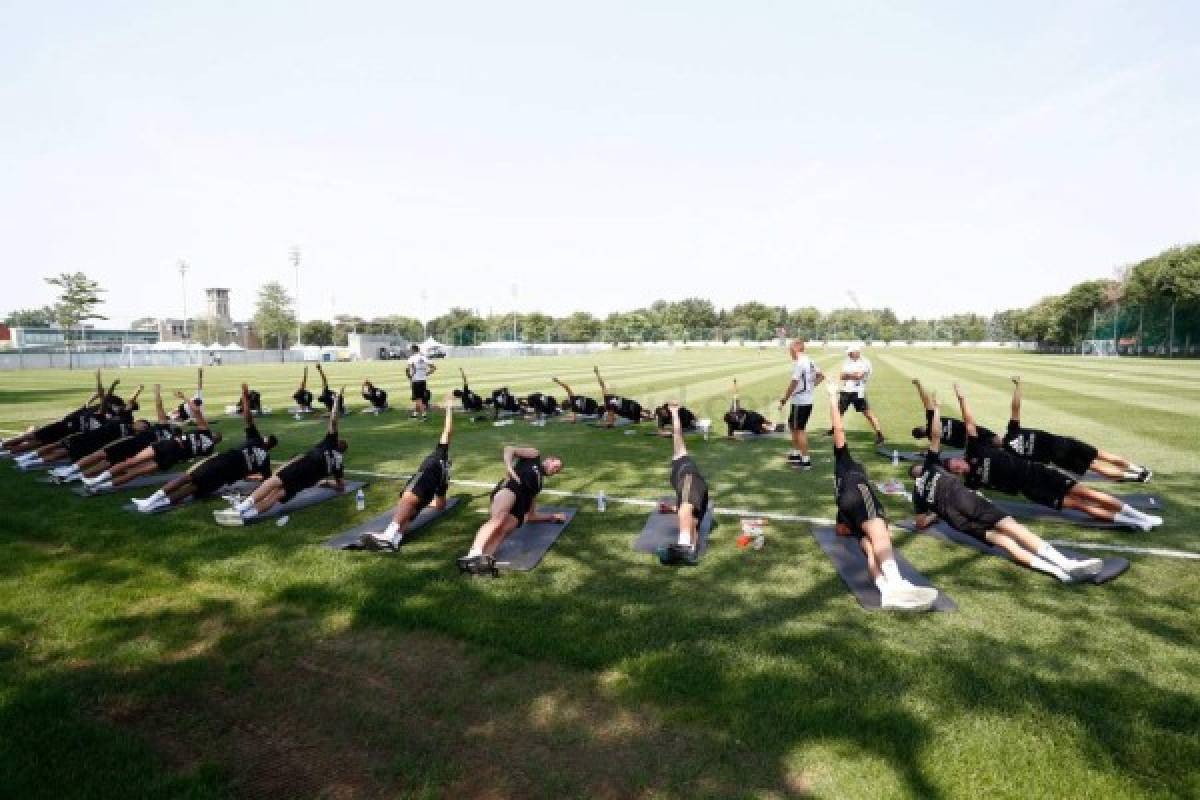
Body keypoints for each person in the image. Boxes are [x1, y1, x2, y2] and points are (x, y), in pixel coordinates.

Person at [909, 400, 1103, 582]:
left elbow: (920, 523)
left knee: (1005, 543)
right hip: (969, 503)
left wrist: (935, 516)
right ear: (921, 468)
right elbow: (936, 434)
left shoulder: (917, 494)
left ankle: (1060, 574)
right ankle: (1066, 564)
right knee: (1017, 530)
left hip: (958, 521)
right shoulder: (931, 465)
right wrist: (937, 411)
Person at [943, 385, 1162, 531]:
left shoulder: (975, 450)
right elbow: (971, 499)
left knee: (1088, 493)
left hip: (1039, 473)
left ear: (961, 458)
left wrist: (962, 399)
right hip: (1032, 491)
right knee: (1080, 506)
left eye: (957, 464)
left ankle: (1141, 517)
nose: (959, 468)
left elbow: (969, 422)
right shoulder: (970, 481)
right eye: (955, 470)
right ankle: (1133, 523)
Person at [826, 384, 940, 611]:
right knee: (880, 538)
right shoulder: (846, 462)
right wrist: (832, 398)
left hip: (846, 505)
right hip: (858, 495)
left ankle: (886, 592)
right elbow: (839, 430)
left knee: (870, 547)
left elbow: (841, 529)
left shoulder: (842, 472)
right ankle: (898, 584)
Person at [134, 384, 278, 512]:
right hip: (225, 477)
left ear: (265, 441)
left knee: (187, 478)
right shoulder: (265, 461)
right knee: (192, 488)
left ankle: (151, 500)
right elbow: (266, 482)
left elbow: (248, 417)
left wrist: (244, 395)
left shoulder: (256, 440)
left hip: (222, 462)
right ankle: (154, 505)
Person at [994, 377, 1151, 482]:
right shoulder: (1012, 432)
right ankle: (1138, 472)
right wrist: (1019, 386)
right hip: (1061, 446)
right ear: (996, 440)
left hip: (1059, 452)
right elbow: (1016, 407)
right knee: (1100, 458)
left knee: (1097, 463)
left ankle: (1137, 475)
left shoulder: (1010, 454)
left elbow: (1015, 408)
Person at [225, 390, 348, 520]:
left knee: (272, 483)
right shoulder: (339, 464)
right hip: (309, 480)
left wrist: (335, 403)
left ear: (337, 443)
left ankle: (241, 508)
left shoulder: (330, 442)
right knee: (276, 496)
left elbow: (333, 421)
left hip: (304, 464)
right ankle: (248, 515)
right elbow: (341, 486)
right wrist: (327, 482)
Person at [360, 394, 456, 551]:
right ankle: (395, 541)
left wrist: (449, 409)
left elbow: (448, 431)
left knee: (407, 501)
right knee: (411, 509)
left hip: (423, 478)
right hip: (427, 492)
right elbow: (441, 505)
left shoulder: (440, 454)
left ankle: (388, 534)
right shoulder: (445, 477)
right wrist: (427, 501)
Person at [81, 391, 222, 492]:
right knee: (130, 464)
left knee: (135, 471)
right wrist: (161, 393)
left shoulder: (208, 446)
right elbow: (163, 409)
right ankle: (95, 481)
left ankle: (99, 486)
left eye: (216, 436)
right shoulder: (195, 431)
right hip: (165, 448)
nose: (214, 435)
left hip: (172, 455)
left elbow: (196, 458)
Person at [456, 445, 565, 576]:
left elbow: (530, 515)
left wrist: (552, 516)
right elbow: (509, 449)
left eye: (557, 470)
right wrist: (509, 467)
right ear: (549, 459)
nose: (555, 470)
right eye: (555, 465)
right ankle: (474, 553)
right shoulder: (534, 456)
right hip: (511, 488)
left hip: (520, 506)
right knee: (499, 519)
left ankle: (479, 563)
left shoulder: (538, 485)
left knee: (503, 532)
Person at [50, 386, 178, 483]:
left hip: (131, 449)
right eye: (142, 423)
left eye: (144, 425)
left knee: (103, 463)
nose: (143, 425)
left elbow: (158, 407)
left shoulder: (164, 432)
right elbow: (137, 404)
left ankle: (74, 476)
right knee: (99, 457)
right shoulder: (130, 421)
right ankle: (69, 472)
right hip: (125, 445)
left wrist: (156, 392)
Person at [19, 385, 144, 468]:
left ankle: (32, 460)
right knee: (55, 443)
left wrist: (137, 392)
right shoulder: (119, 407)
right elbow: (108, 398)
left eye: (130, 405)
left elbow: (126, 403)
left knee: (62, 450)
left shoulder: (126, 417)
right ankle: (28, 455)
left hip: (91, 434)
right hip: (81, 425)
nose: (128, 404)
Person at [4, 370, 119, 457]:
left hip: (66, 427)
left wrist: (100, 381)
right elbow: (99, 397)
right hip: (67, 427)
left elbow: (103, 395)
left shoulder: (101, 413)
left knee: (34, 437)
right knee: (37, 440)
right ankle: (7, 449)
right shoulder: (96, 411)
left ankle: (5, 448)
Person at [657, 403, 710, 565]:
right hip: (696, 488)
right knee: (690, 519)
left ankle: (684, 547)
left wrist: (674, 413)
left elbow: (677, 433)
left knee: (685, 510)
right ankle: (690, 550)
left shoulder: (680, 457)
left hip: (691, 479)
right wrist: (673, 508)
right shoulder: (679, 462)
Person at [777, 338, 824, 467]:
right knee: (793, 426)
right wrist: (810, 387)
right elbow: (821, 376)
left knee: (799, 430)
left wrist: (784, 399)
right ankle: (795, 453)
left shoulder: (800, 363)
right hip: (804, 401)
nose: (789, 352)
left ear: (795, 348)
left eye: (790, 349)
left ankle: (805, 460)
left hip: (800, 402)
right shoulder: (810, 360)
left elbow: (793, 383)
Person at [910, 378, 995, 448]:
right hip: (972, 432)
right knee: (996, 441)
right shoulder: (932, 422)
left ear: (922, 437)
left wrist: (919, 385)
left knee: (993, 446)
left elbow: (927, 402)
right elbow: (927, 402)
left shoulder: (933, 438)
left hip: (970, 443)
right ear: (921, 427)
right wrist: (918, 385)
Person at [828, 343, 884, 445]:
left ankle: (879, 434)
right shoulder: (847, 361)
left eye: (850, 352)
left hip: (858, 391)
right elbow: (842, 376)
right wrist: (851, 375)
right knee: (838, 412)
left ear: (856, 352)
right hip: (846, 390)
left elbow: (858, 376)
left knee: (867, 414)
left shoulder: (865, 362)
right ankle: (834, 429)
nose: (848, 354)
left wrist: (849, 375)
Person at [406, 344, 436, 418]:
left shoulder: (412, 358)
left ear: (413, 350)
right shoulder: (424, 357)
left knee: (418, 399)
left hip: (416, 381)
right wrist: (426, 374)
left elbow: (408, 369)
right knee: (419, 398)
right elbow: (434, 368)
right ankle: (415, 413)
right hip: (423, 381)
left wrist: (409, 376)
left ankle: (424, 414)